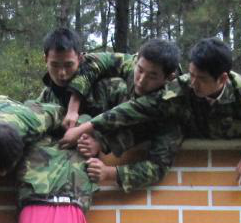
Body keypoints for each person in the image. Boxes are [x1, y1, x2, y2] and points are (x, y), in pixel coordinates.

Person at [62, 37, 241, 187]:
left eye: (201, 79)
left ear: (222, 79)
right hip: (184, 141)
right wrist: (85, 128)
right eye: (191, 74)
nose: (193, 83)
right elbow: (137, 109)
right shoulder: (180, 89)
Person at [64, 38, 183, 191]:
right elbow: (93, 60)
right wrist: (73, 107)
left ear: (169, 78)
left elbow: (157, 167)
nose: (141, 80)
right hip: (96, 113)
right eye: (140, 70)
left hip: (121, 136)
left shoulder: (173, 109)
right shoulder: (132, 63)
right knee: (111, 83)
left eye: (152, 76)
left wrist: (110, 173)